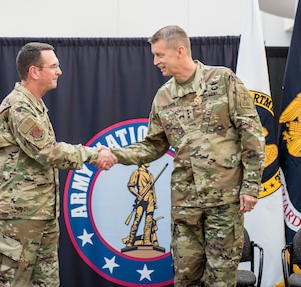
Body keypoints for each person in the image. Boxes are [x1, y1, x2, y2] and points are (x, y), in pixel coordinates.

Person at [104, 25, 266, 286]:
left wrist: (250, 186)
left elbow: (252, 134)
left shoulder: (224, 80)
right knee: (185, 275)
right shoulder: (164, 97)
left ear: (180, 51)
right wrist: (115, 155)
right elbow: (153, 145)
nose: (155, 62)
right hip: (185, 204)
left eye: (160, 55)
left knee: (220, 278)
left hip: (223, 201)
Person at [0, 42, 117, 287]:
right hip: (16, 222)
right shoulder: (19, 106)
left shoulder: (35, 105)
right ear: (34, 71)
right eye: (53, 66)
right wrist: (93, 154)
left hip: (40, 217)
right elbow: (47, 152)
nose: (59, 71)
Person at [124, 163, 158, 247]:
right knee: (137, 220)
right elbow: (131, 186)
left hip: (150, 200)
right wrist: (137, 195)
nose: (149, 162)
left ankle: (147, 240)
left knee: (149, 221)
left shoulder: (150, 174)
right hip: (142, 199)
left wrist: (154, 200)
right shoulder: (137, 172)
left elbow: (153, 189)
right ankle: (130, 241)